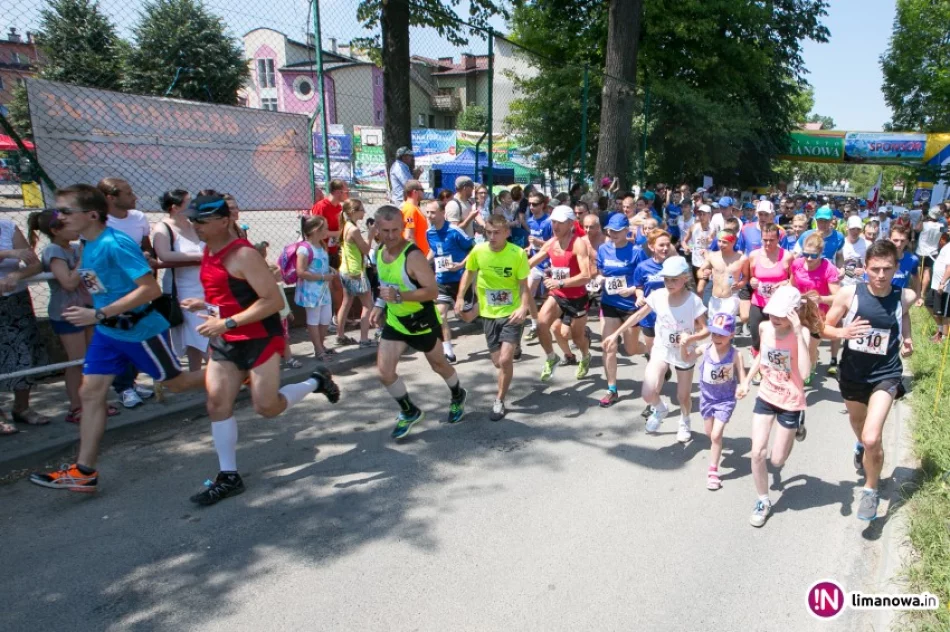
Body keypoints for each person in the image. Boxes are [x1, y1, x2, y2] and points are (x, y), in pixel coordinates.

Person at [29, 184, 206, 491]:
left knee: (178, 383)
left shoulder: (115, 243)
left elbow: (149, 289)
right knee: (90, 394)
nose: (59, 218)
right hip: (108, 332)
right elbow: (87, 282)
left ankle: (238, 370)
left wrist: (99, 313)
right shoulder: (87, 243)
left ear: (92, 214)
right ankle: (84, 471)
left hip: (138, 331)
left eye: (65, 212)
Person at [179, 194, 340, 505]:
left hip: (258, 339)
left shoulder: (243, 255)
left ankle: (316, 381)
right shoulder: (209, 251)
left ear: (224, 221)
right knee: (217, 404)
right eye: (192, 220)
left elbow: (273, 301)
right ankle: (229, 476)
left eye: (201, 220)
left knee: (267, 407)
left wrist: (226, 323)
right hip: (226, 340)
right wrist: (208, 305)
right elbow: (234, 294)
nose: (194, 225)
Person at [823, 240, 915, 521]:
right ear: (865, 269)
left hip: (885, 373)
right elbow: (824, 327)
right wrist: (844, 332)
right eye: (875, 269)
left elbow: (905, 315)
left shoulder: (904, 296)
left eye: (887, 269)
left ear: (896, 268)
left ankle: (870, 490)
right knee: (860, 428)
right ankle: (863, 447)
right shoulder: (849, 295)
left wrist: (907, 336)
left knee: (873, 435)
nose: (881, 275)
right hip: (852, 374)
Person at [371, 205, 467, 440]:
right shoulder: (379, 253)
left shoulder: (412, 256)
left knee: (438, 365)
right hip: (396, 321)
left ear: (403, 227)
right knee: (384, 372)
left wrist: (399, 297)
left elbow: (432, 291)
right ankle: (409, 410)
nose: (391, 236)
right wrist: (379, 305)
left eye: (396, 230)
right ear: (377, 229)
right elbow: (386, 285)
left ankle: (457, 394)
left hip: (421, 321)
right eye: (385, 231)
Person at [739, 286, 822, 527]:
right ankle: (763, 501)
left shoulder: (802, 334)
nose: (774, 318)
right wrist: (746, 380)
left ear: (795, 312)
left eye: (780, 314)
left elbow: (805, 373)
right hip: (766, 396)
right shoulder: (765, 328)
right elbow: (761, 356)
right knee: (757, 452)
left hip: (791, 401)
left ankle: (797, 426)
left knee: (776, 461)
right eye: (772, 313)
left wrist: (797, 333)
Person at [604, 256, 708, 440]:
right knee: (648, 392)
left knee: (683, 396)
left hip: (684, 352)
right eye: (666, 279)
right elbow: (637, 316)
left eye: (674, 279)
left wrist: (691, 337)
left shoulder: (693, 301)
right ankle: (660, 409)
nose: (669, 283)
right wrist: (615, 334)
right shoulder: (658, 295)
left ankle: (685, 420)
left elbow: (706, 330)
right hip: (662, 349)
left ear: (685, 278)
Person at [456, 215, 531, 420]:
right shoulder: (479, 251)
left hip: (511, 312)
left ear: (507, 232)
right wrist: (460, 297)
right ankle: (513, 348)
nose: (491, 237)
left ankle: (499, 400)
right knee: (498, 362)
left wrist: (524, 307)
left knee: (505, 360)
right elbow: (469, 273)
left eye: (496, 232)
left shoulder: (517, 254)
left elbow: (524, 285)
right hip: (488, 313)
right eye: (488, 232)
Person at [28, 211, 96, 425]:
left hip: (87, 309)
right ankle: (76, 406)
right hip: (67, 312)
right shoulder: (54, 250)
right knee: (77, 361)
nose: (77, 228)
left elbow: (92, 281)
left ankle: (92, 403)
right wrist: (84, 260)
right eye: (70, 225)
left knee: (91, 360)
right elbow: (67, 282)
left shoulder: (76, 248)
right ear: (56, 230)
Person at [97, 177, 154, 409]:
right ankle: (123, 387)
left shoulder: (139, 218)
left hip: (140, 290)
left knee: (138, 337)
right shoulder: (101, 224)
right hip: (114, 294)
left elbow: (147, 249)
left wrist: (148, 257)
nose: (134, 196)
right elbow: (92, 264)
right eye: (128, 193)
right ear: (111, 198)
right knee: (119, 338)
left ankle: (132, 380)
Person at [683, 312, 746, 490]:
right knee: (710, 433)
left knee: (717, 434)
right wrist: (684, 345)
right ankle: (716, 447)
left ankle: (713, 470)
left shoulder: (735, 355)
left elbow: (742, 377)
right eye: (714, 333)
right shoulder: (705, 349)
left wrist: (743, 387)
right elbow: (687, 357)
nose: (717, 338)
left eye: (722, 334)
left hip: (725, 400)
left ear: (732, 335)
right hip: (707, 398)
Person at [529, 206, 593, 381]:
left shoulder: (578, 244)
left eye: (560, 223)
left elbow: (586, 275)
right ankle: (552, 357)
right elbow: (530, 263)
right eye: (553, 222)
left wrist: (561, 282)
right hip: (558, 294)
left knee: (577, 337)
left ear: (571, 224)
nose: (555, 226)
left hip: (577, 298)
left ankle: (586, 356)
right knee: (541, 323)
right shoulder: (551, 243)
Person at [152, 189, 208, 372]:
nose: (193, 205)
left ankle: (196, 375)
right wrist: (199, 256)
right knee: (200, 330)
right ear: (175, 207)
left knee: (196, 333)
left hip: (203, 283)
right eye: (188, 202)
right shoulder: (163, 228)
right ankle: (227, 374)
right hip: (183, 287)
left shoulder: (193, 225)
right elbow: (163, 255)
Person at [596, 214, 647, 407]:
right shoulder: (603, 249)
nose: (613, 234)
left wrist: (633, 289)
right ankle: (612, 389)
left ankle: (650, 351)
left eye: (618, 231)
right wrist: (599, 280)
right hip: (609, 303)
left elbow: (645, 278)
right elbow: (601, 272)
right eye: (611, 230)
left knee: (631, 349)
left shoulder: (636, 251)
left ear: (627, 231)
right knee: (608, 345)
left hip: (630, 307)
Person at [425, 199, 476, 363]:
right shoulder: (429, 233)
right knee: (440, 315)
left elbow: (474, 248)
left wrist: (461, 264)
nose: (429, 216)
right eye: (427, 212)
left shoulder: (455, 231)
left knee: (466, 316)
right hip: (442, 280)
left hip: (460, 279)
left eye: (432, 212)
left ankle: (481, 306)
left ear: (442, 214)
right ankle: (449, 352)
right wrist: (425, 264)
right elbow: (434, 251)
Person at [789, 233, 840, 383]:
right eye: (806, 254)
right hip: (798, 311)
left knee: (810, 346)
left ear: (821, 253)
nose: (809, 259)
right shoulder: (797, 264)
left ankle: (810, 366)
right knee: (796, 344)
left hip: (818, 315)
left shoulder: (828, 268)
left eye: (814, 255)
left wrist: (821, 299)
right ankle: (797, 370)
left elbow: (838, 297)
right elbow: (791, 285)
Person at [748, 224, 794, 361]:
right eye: (765, 240)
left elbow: (793, 279)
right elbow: (751, 277)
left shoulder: (787, 256)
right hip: (758, 303)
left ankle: (777, 369)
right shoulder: (754, 255)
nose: (768, 243)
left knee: (778, 338)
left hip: (779, 306)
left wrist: (786, 283)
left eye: (771, 240)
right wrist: (752, 281)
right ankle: (757, 361)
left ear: (778, 239)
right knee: (756, 337)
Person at [335, 199, 376, 348]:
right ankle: (364, 339)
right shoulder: (354, 229)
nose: (364, 212)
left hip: (345, 270)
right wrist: (371, 235)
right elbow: (365, 250)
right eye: (362, 209)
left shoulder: (346, 226)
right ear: (353, 212)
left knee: (346, 302)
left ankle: (340, 335)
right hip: (356, 272)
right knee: (367, 305)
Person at [309, 178, 348, 322]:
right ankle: (325, 319)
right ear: (338, 192)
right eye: (346, 191)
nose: (348, 194)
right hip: (321, 251)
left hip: (334, 250)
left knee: (338, 284)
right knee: (328, 285)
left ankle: (338, 317)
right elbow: (314, 231)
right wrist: (336, 234)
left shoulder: (339, 208)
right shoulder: (321, 207)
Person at [697, 229, 748, 318]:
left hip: (731, 298)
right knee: (714, 329)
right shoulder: (712, 256)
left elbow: (746, 277)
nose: (720, 244)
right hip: (715, 299)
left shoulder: (742, 259)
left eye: (724, 242)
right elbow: (700, 271)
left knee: (725, 328)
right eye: (719, 241)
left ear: (733, 242)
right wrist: (703, 274)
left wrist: (740, 284)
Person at [524, 191, 553, 340]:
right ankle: (535, 324)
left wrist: (538, 243)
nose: (532, 207)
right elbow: (532, 240)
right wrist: (530, 247)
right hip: (536, 263)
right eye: (530, 204)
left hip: (550, 265)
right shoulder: (530, 221)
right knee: (528, 292)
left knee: (554, 296)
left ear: (542, 205)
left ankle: (554, 321)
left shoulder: (549, 222)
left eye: (535, 204)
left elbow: (554, 243)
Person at [915, 206, 946, 304]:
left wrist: (922, 218)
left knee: (919, 274)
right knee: (927, 273)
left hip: (922, 251)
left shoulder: (924, 224)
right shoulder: (941, 225)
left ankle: (918, 293)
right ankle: (923, 293)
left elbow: (916, 229)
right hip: (933, 252)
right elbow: (945, 233)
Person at [400, 180, 430, 256]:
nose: (424, 192)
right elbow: (409, 236)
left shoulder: (414, 208)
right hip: (416, 259)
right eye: (422, 190)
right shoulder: (410, 209)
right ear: (415, 192)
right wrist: (417, 256)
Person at [684, 204, 713, 280]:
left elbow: (723, 239)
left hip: (708, 263)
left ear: (709, 215)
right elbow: (689, 242)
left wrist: (713, 241)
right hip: (695, 261)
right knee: (697, 287)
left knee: (702, 288)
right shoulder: (693, 227)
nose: (702, 217)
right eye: (700, 214)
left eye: (704, 214)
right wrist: (687, 247)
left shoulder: (714, 228)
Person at [888, 224, 920, 292]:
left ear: (907, 242)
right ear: (889, 240)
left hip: (901, 299)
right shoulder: (880, 259)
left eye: (902, 241)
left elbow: (916, 277)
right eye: (895, 240)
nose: (899, 244)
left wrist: (918, 296)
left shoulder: (912, 260)